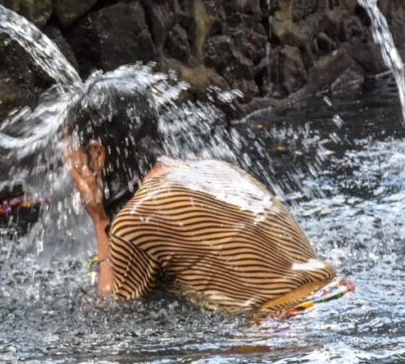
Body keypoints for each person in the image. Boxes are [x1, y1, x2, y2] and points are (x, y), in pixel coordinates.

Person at [63, 74, 351, 314]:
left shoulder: (135, 220)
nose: (69, 168)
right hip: (339, 295)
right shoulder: (217, 169)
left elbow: (112, 317)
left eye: (71, 156)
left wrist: (100, 222)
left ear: (97, 154)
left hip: (283, 327)